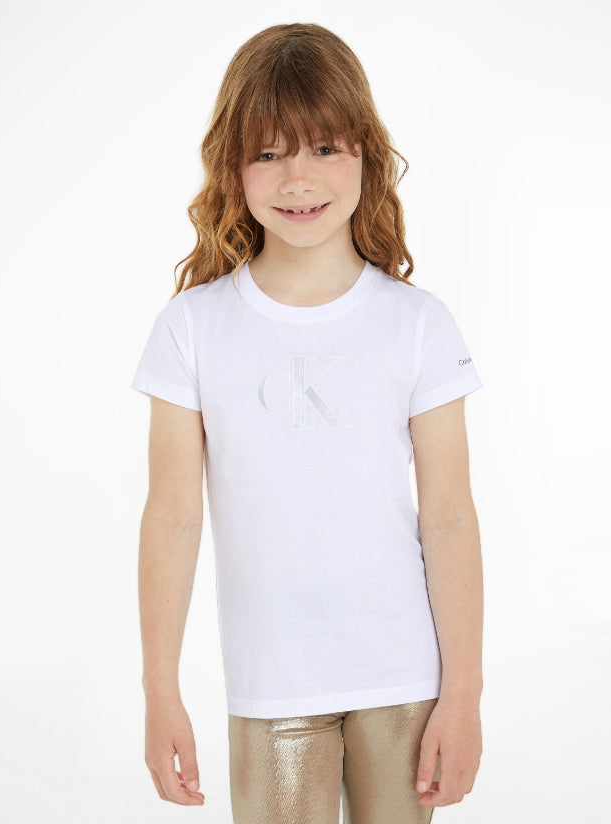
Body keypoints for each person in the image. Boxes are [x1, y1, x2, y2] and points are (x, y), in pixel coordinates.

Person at [130, 22, 484, 824]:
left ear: (366, 152)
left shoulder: (418, 325)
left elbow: (450, 516)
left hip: (404, 677)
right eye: (268, 152)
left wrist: (463, 692)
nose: (298, 179)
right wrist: (160, 692)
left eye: (324, 147)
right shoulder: (192, 329)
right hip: (272, 683)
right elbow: (172, 517)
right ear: (232, 166)